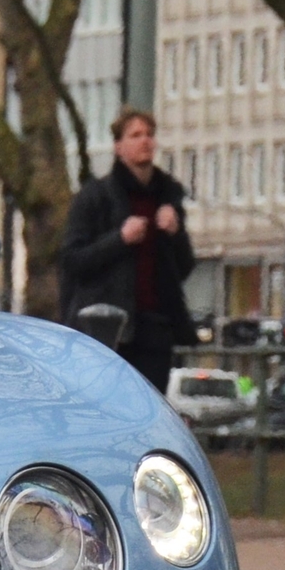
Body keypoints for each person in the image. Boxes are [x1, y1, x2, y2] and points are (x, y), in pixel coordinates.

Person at [59, 108, 194, 390]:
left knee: (151, 411)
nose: (145, 141)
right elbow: (72, 260)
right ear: (119, 147)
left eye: (149, 135)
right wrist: (119, 239)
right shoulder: (95, 196)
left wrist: (175, 233)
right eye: (135, 135)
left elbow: (184, 266)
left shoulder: (167, 198)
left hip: (155, 328)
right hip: (108, 329)